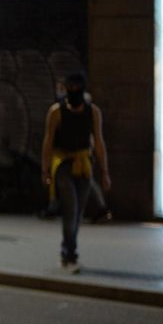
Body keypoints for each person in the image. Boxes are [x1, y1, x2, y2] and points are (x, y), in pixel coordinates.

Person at [41, 73, 110, 274]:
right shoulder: (56, 112)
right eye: (69, 86)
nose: (73, 91)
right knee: (71, 209)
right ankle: (70, 254)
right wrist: (45, 170)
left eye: (76, 86)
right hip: (63, 165)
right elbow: (48, 142)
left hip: (84, 165)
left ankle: (67, 250)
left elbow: (99, 142)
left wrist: (104, 171)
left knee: (78, 213)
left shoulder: (93, 112)